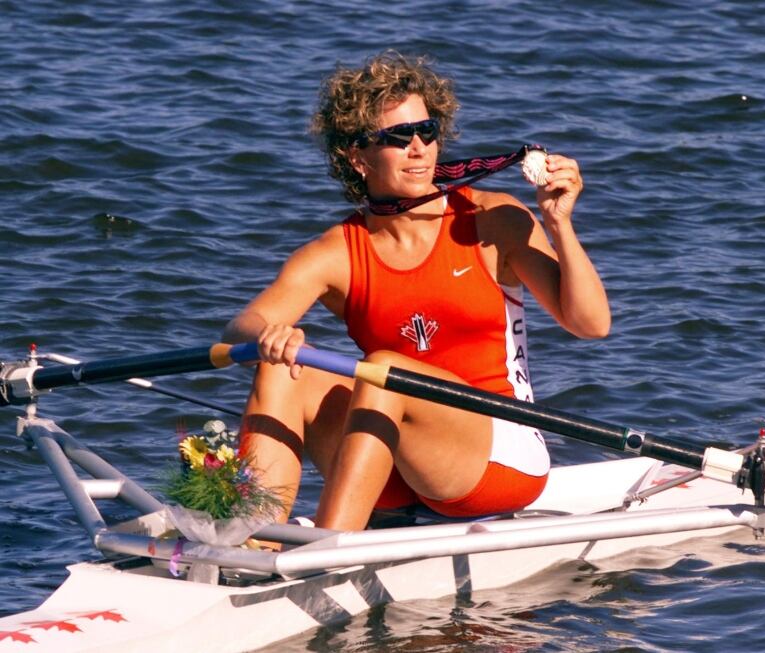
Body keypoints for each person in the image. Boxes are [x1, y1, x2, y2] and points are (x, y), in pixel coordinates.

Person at [222, 51, 610, 532]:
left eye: (426, 132)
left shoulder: (494, 220)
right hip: (393, 459)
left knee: (384, 370)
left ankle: (328, 552)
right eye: (398, 137)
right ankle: (248, 543)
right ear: (357, 156)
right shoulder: (336, 253)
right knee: (283, 370)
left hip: (497, 456)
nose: (420, 149)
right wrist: (274, 336)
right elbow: (239, 330)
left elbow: (591, 324)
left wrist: (558, 224)